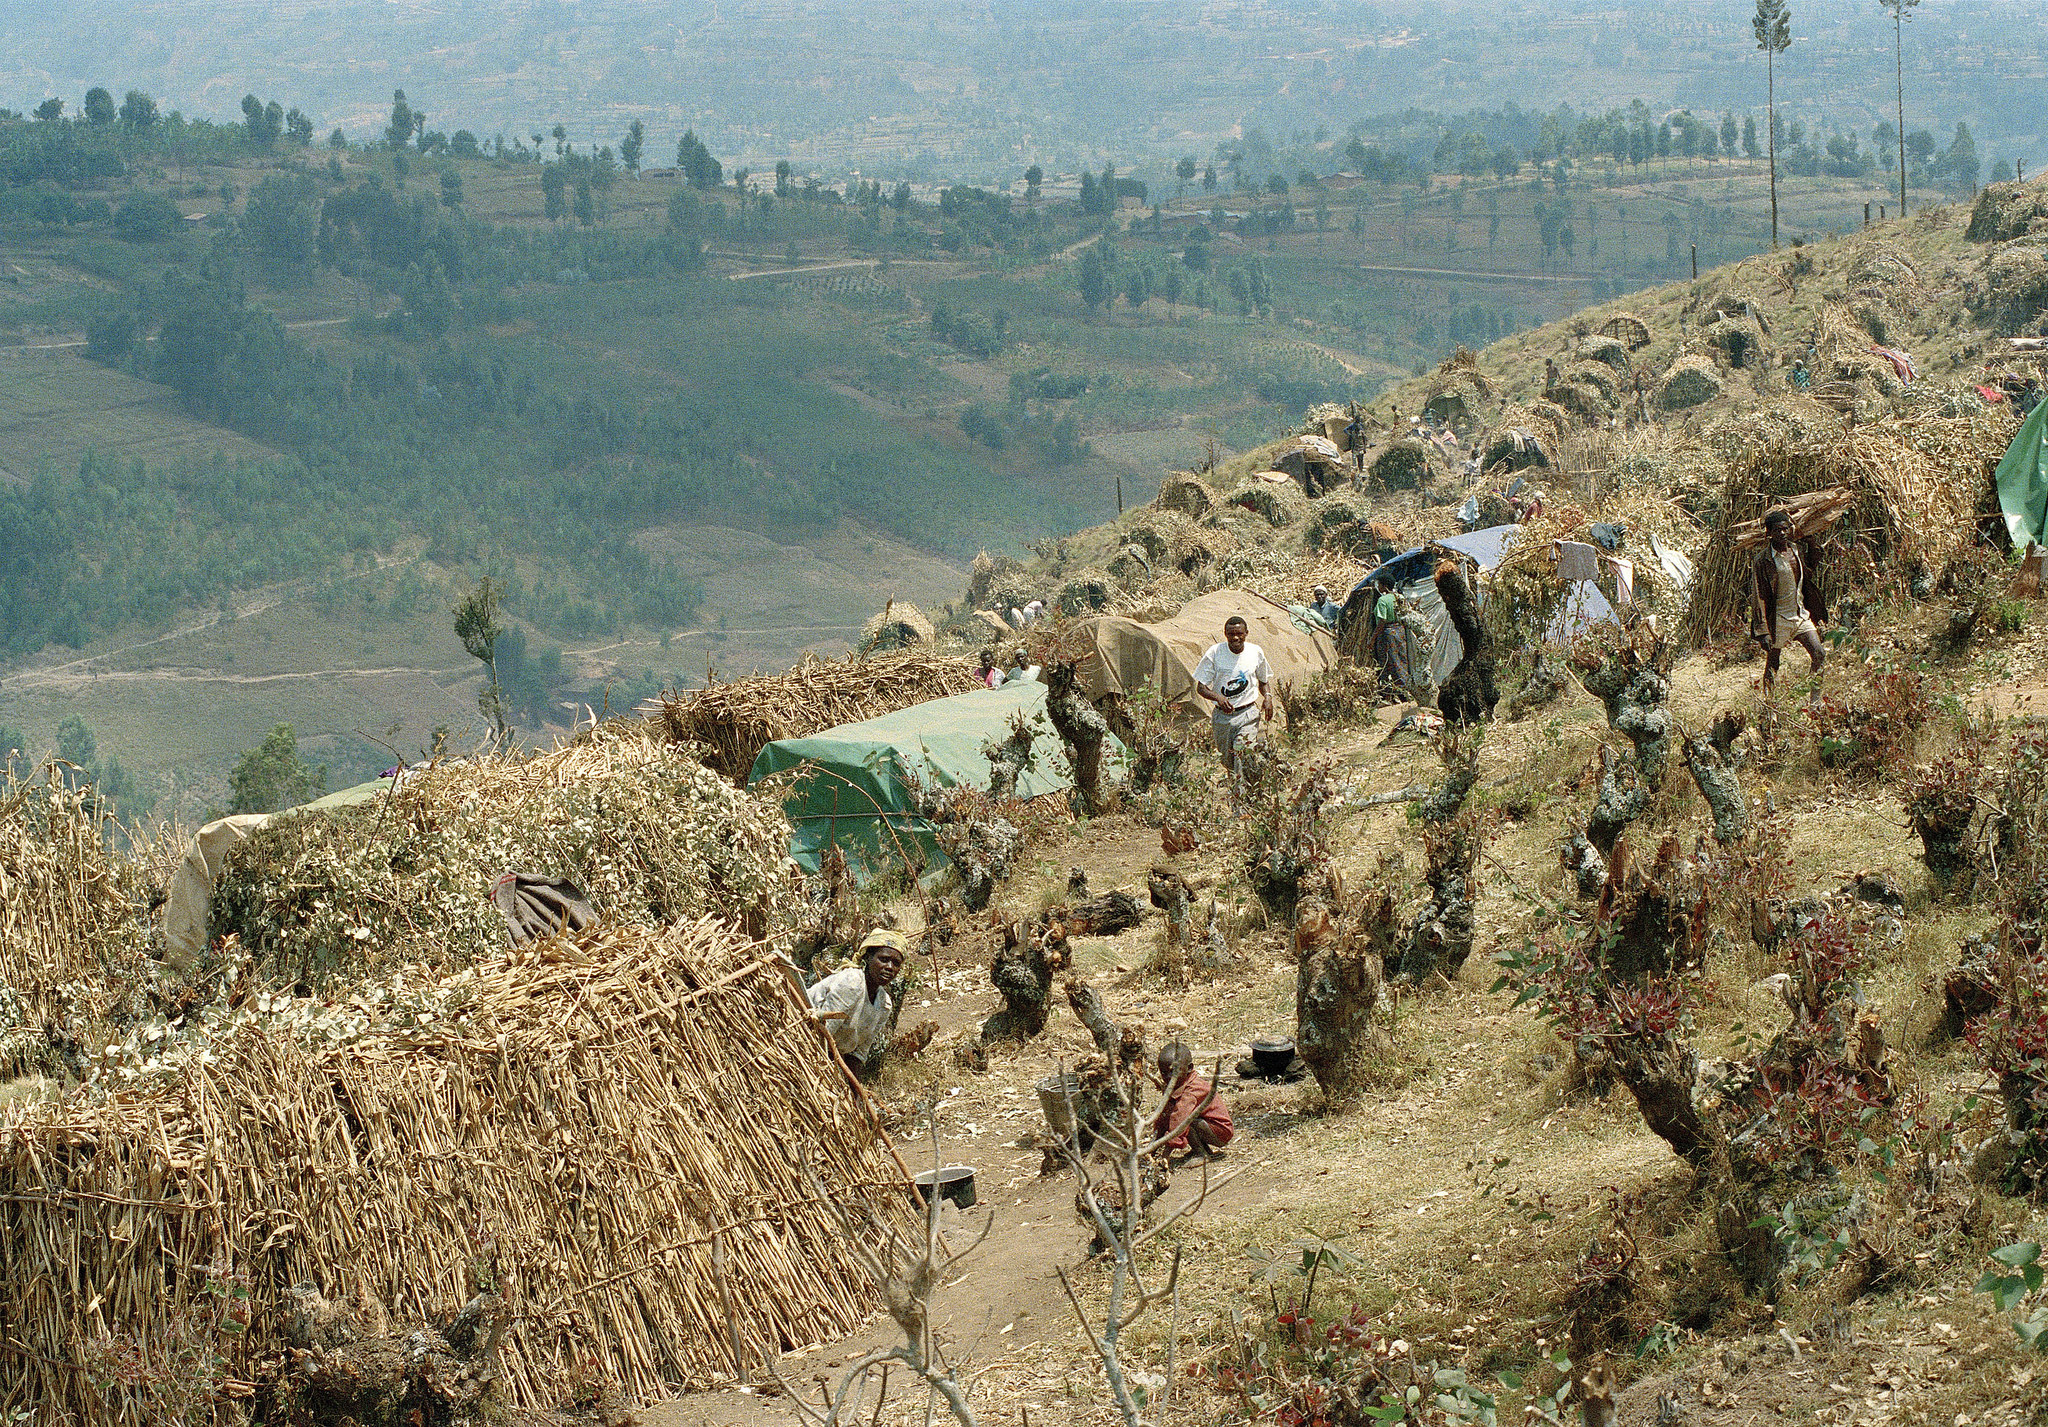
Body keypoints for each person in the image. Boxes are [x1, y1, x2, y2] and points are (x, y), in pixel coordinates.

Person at [806, 929, 906, 1077]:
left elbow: (859, 1053)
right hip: (809, 1043)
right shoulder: (852, 982)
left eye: (896, 963)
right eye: (883, 959)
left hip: (829, 1054)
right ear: (868, 957)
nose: (890, 967)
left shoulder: (884, 1004)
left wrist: (856, 1094)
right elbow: (821, 1036)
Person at [1751, 508, 1826, 692]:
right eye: (1777, 530)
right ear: (1769, 533)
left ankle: (1814, 704)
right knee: (1773, 663)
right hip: (1779, 619)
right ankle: (1770, 707)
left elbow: (1810, 567)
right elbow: (1758, 595)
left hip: (1800, 615)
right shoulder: (1763, 560)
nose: (1782, 533)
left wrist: (1812, 542)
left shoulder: (1795, 551)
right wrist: (1763, 631)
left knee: (1819, 654)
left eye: (1785, 529)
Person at [1194, 615, 1272, 774]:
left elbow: (1263, 681)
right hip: (1223, 718)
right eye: (1231, 634)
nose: (1235, 638)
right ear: (1225, 634)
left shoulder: (1255, 652)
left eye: (1239, 634)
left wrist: (1268, 697)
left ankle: (1244, 796)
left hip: (1247, 714)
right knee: (1228, 762)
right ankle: (1236, 791)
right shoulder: (1215, 653)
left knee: (1242, 755)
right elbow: (1201, 687)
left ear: (1246, 633)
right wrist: (1218, 698)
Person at [1153, 1042, 1233, 1161]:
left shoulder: (1192, 1090)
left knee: (1188, 1121)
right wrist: (1152, 1149)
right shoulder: (1178, 1085)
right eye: (1163, 1073)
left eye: (1174, 1072)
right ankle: (1203, 1150)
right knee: (1184, 1118)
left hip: (1220, 1131)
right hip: (1207, 1125)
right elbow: (1164, 1118)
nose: (1168, 1077)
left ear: (1189, 1068)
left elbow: (1179, 1122)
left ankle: (1201, 1154)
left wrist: (1165, 1155)